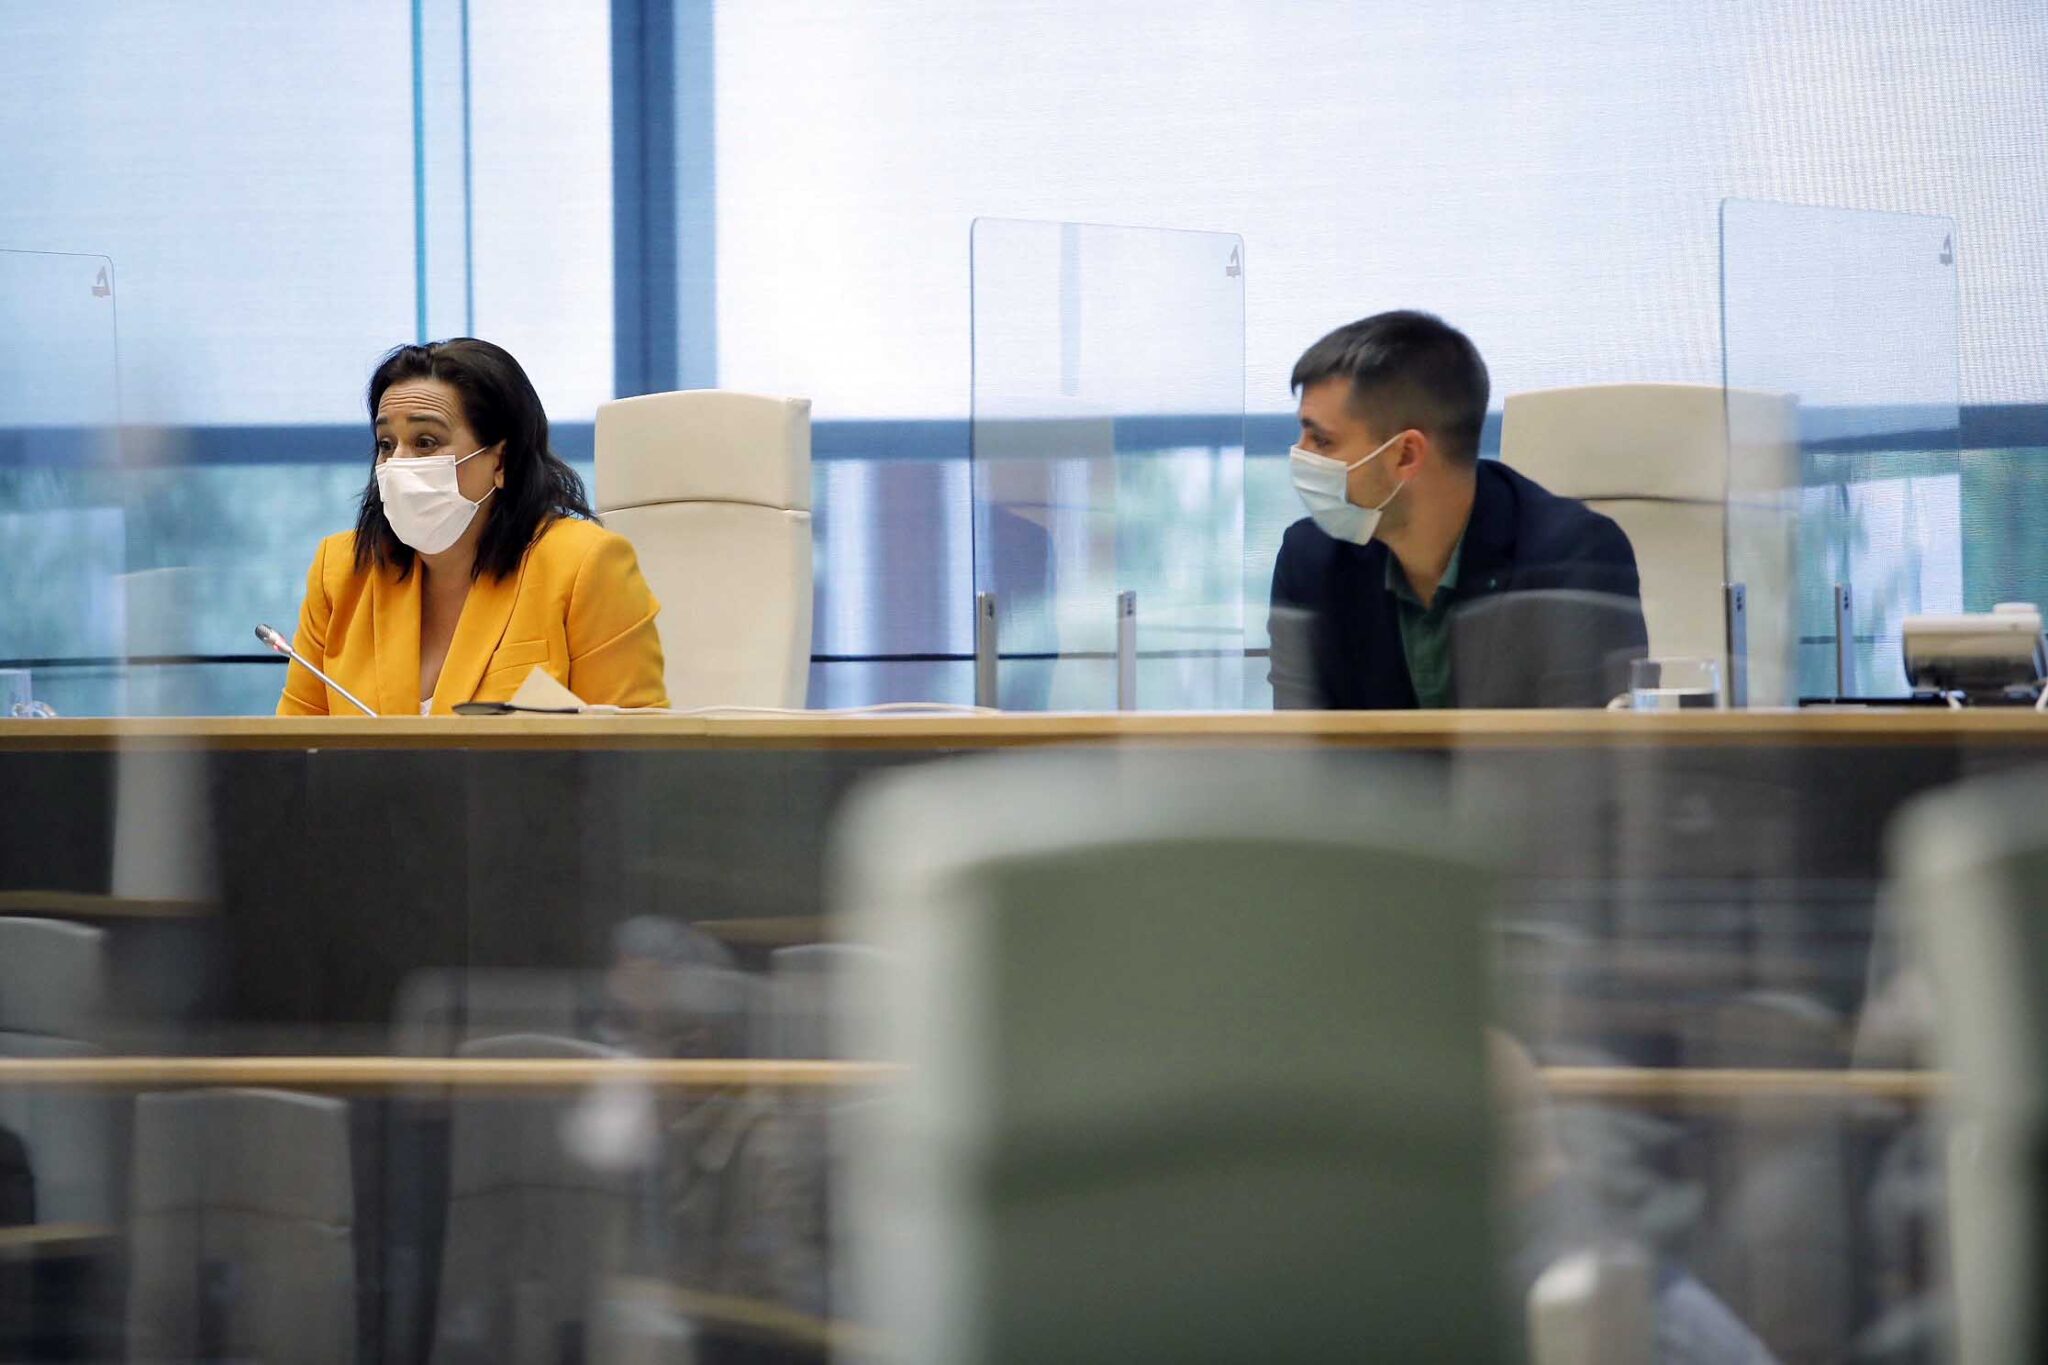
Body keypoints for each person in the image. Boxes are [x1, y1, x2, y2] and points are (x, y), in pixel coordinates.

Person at [1268, 311, 1647, 709]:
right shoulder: (1310, 559)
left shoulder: (1573, 555)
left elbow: (1581, 757)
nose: (1299, 455)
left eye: (1322, 441)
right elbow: (1298, 751)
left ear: (1406, 455)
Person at [277, 338, 667, 715]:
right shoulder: (342, 572)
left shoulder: (584, 565)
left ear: (500, 460)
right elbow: (290, 755)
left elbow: (633, 758)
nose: (398, 464)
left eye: (426, 442)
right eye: (386, 444)